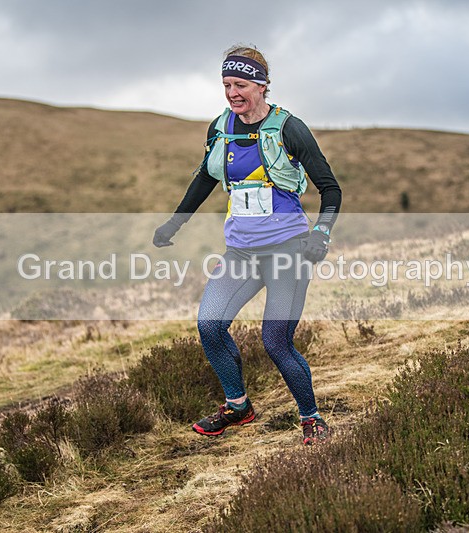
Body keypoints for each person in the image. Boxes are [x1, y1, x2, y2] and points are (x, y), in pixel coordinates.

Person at [153, 45, 341, 445]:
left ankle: (311, 418)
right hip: (241, 252)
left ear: (261, 85)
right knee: (210, 324)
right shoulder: (220, 128)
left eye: (240, 84)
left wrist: (321, 234)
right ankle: (238, 408)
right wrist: (174, 223)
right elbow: (205, 178)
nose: (232, 93)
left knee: (275, 341)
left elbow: (330, 189)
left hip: (289, 249)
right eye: (226, 85)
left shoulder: (290, 128)